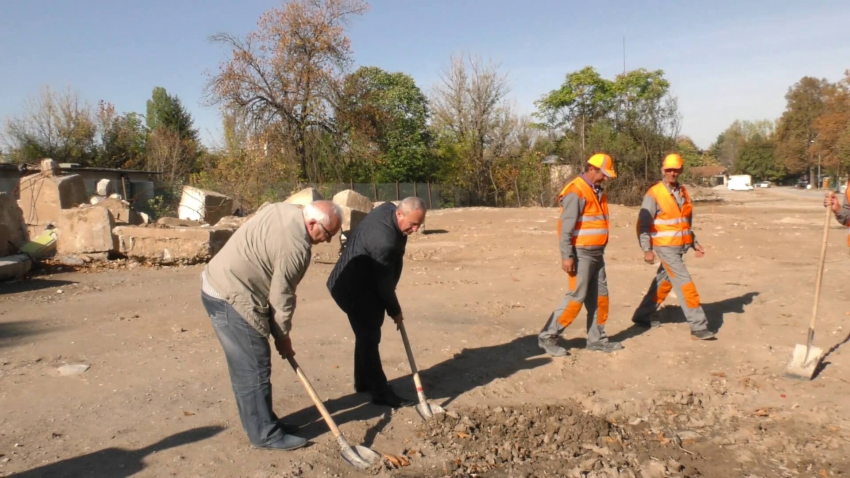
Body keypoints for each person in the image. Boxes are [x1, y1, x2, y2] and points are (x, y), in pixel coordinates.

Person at [201, 201, 342, 451]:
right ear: (311, 223)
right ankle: (264, 434)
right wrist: (282, 337)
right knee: (253, 367)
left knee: (250, 365)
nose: (328, 241)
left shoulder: (285, 210)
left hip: (219, 280)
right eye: (328, 234)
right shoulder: (296, 249)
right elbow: (282, 297)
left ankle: (264, 420)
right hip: (231, 294)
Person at [327, 196, 427, 408]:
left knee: (365, 336)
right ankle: (380, 392)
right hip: (354, 289)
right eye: (412, 224)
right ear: (399, 214)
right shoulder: (384, 242)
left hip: (360, 281)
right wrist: (395, 311)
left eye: (419, 224)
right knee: (370, 337)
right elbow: (384, 286)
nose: (416, 230)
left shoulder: (388, 209)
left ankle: (363, 383)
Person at [538, 153, 624, 356]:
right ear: (592, 169)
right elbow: (565, 228)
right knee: (576, 296)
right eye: (604, 174)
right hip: (581, 253)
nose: (606, 178)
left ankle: (597, 339)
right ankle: (548, 335)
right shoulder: (576, 191)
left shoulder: (596, 191)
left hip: (597, 253)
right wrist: (567, 255)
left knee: (600, 297)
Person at [631, 153, 715, 340]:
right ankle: (698, 326)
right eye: (669, 170)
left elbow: (684, 222)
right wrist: (647, 250)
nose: (672, 173)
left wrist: (694, 243)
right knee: (685, 284)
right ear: (663, 170)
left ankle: (642, 315)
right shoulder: (654, 193)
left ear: (681, 170)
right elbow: (643, 224)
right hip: (665, 247)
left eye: (676, 170)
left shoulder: (683, 192)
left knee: (664, 282)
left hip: (680, 246)